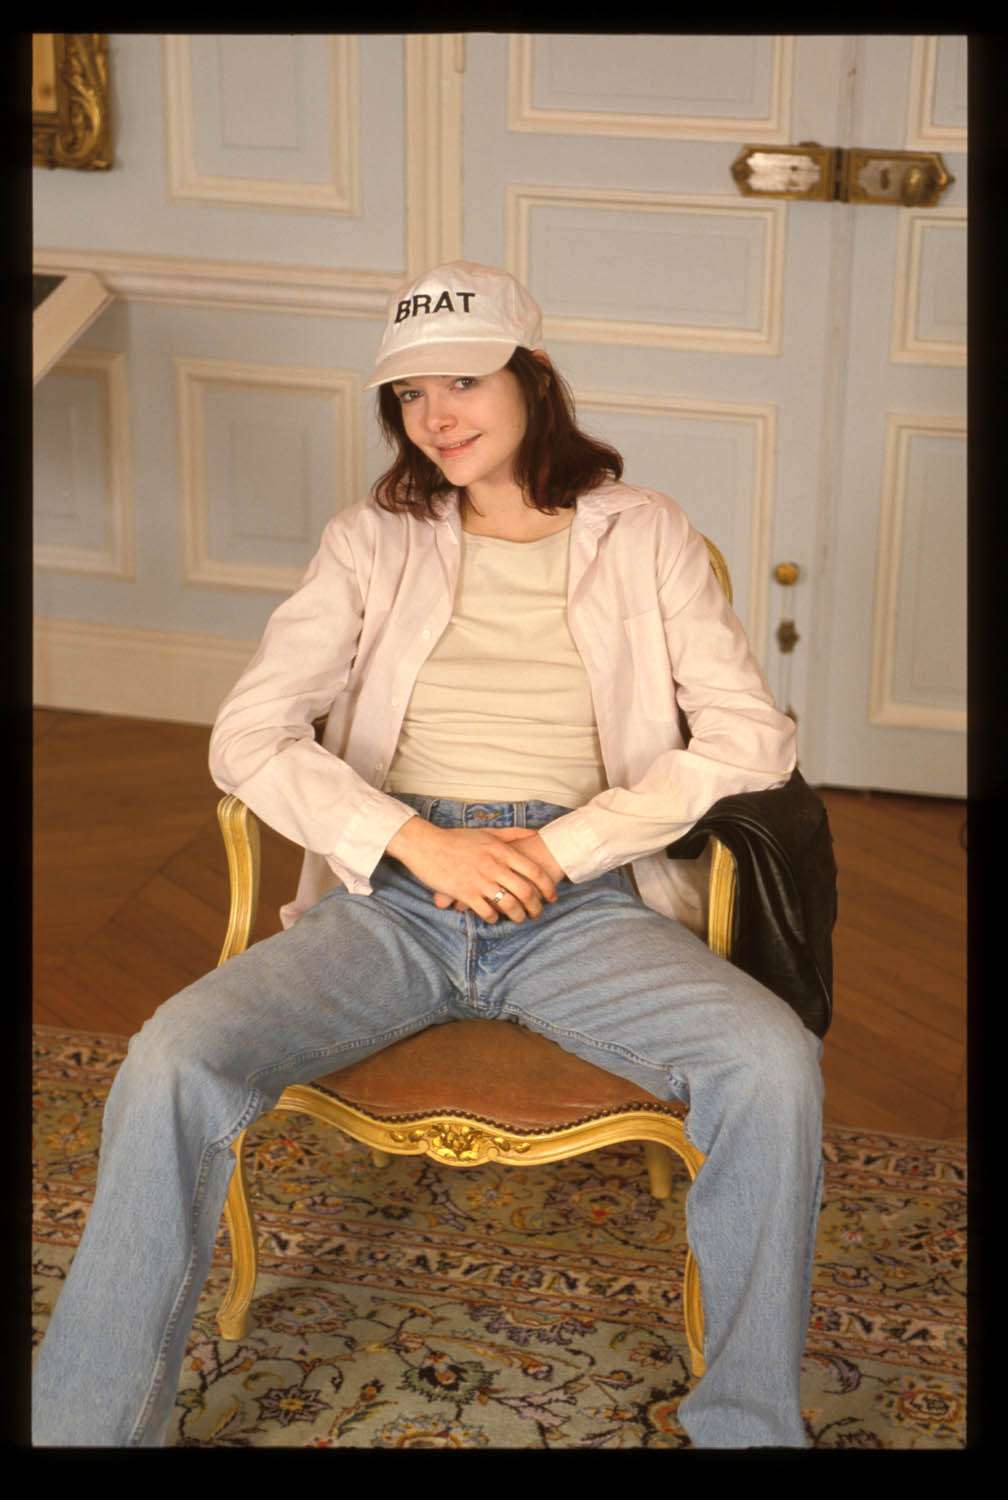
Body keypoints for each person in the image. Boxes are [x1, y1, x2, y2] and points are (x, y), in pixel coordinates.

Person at [32, 261, 825, 1449]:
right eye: (409, 395)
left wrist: (566, 844)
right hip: (390, 896)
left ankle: (750, 1428)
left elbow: (751, 737)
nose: (436, 416)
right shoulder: (371, 540)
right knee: (170, 1061)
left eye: (463, 381)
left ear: (532, 377)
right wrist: (410, 841)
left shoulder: (644, 531)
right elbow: (248, 735)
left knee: (772, 1065)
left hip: (578, 901)